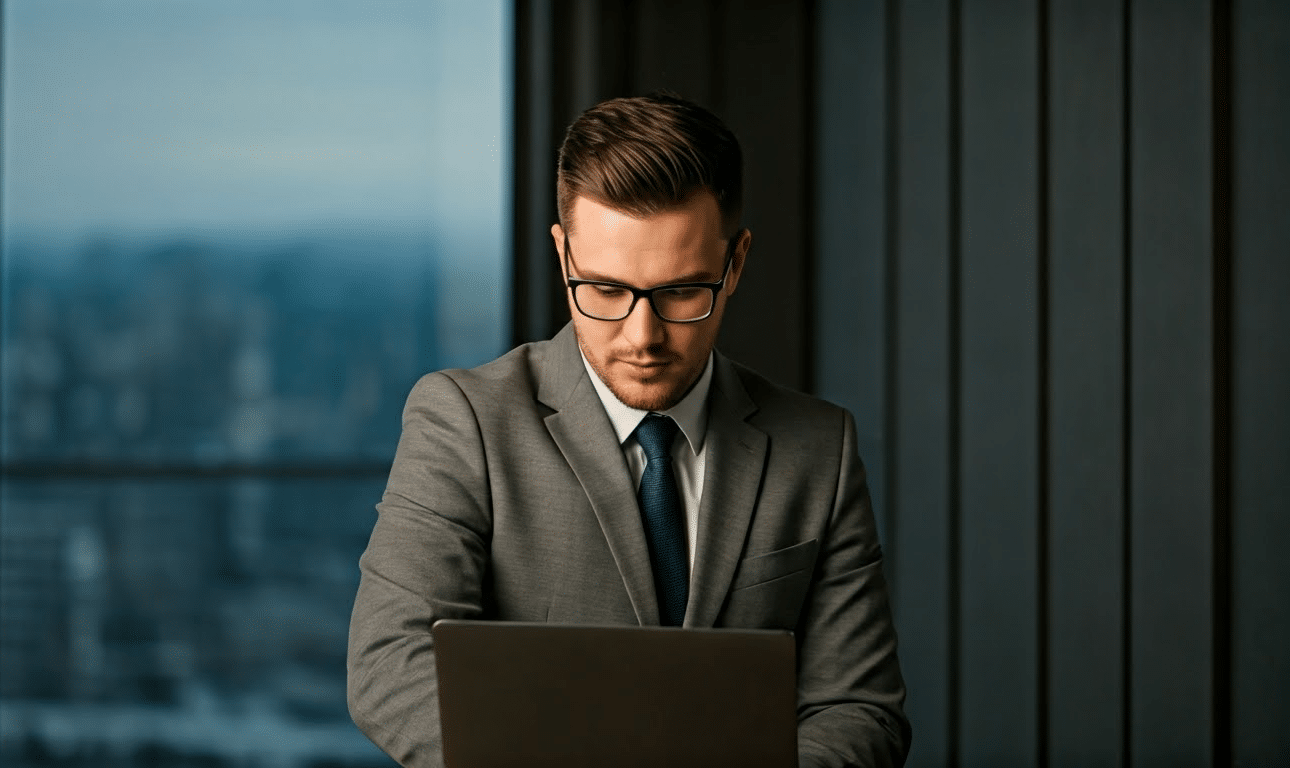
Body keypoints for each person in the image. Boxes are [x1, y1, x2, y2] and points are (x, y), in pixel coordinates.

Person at [346, 92, 910, 768]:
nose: (642, 337)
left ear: (735, 264)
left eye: (680, 292)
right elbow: (392, 664)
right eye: (606, 291)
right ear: (563, 257)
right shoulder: (464, 421)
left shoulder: (818, 448)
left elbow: (858, 708)